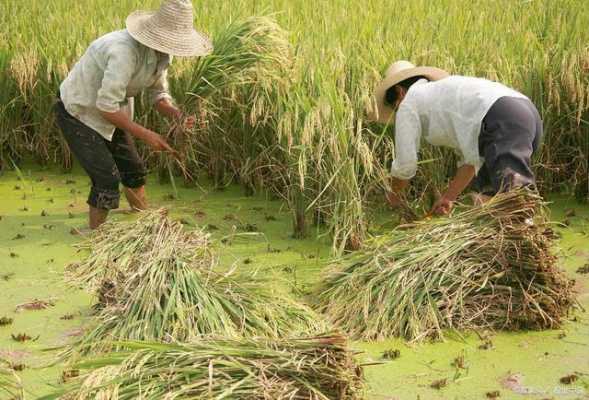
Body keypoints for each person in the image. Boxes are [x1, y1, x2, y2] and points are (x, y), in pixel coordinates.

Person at [54, 0, 212, 229]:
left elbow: (158, 95)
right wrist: (147, 135)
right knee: (106, 180)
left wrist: (176, 115)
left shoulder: (163, 55)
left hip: (114, 112)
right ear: (157, 35)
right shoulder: (123, 52)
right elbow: (105, 106)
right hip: (79, 111)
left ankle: (143, 228)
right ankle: (94, 240)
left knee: (134, 171)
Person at [372, 60, 542, 216]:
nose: (396, 113)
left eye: (394, 108)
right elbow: (471, 160)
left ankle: (528, 243)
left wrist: (394, 197)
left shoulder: (408, 103)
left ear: (399, 92)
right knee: (488, 196)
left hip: (501, 119)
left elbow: (405, 165)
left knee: (514, 202)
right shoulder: (439, 93)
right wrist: (448, 198)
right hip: (525, 112)